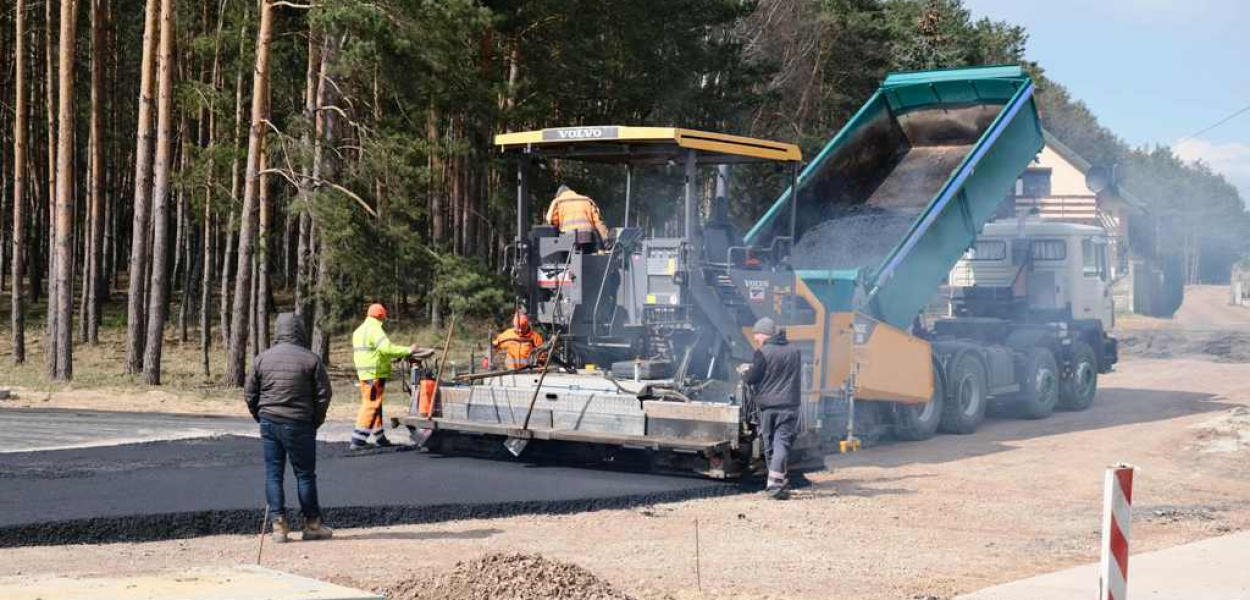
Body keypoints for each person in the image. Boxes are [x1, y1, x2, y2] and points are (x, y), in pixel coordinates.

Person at [246, 312, 334, 543]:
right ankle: (312, 525)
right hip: (299, 423)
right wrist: (314, 421)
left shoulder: (262, 359)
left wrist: (261, 416)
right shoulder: (311, 359)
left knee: (274, 474)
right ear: (300, 331)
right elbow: (324, 395)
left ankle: (278, 527)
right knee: (304, 475)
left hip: (269, 422)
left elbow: (250, 393)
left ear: (278, 331)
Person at [737, 317, 802, 499]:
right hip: (790, 405)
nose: (756, 339)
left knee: (772, 444)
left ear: (763, 334)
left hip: (768, 407)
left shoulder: (762, 352)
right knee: (782, 442)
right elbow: (782, 371)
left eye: (756, 335)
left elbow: (752, 378)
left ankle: (774, 484)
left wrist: (745, 372)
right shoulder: (795, 351)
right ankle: (778, 481)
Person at [351, 303, 427, 449]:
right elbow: (387, 348)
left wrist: (390, 359)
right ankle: (358, 440)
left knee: (375, 405)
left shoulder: (359, 331)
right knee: (371, 405)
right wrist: (408, 350)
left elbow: (373, 352)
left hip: (364, 373)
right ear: (381, 316)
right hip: (375, 373)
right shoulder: (375, 329)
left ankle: (379, 437)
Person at [545, 184, 610, 250]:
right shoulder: (587, 200)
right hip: (587, 237)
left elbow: (551, 221)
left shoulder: (558, 201)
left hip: (568, 238)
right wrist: (606, 241)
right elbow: (599, 223)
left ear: (558, 194)